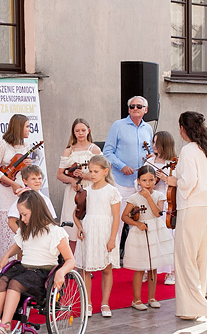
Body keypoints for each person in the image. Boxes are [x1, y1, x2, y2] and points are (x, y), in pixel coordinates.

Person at [0, 190, 75, 334]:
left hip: (43, 273)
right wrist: (6, 255)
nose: (21, 219)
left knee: (16, 283)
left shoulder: (55, 232)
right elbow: (18, 244)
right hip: (25, 269)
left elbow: (70, 260)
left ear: (36, 211)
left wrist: (61, 272)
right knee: (3, 280)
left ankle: (6, 326)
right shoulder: (26, 230)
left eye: (24, 214)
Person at [158, 112, 207, 320]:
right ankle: (197, 301)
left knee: (185, 257)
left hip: (192, 206)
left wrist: (172, 181)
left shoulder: (189, 150)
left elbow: (188, 181)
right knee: (199, 256)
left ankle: (193, 307)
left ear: (184, 128)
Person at [103, 96, 155, 250]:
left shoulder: (148, 128)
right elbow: (107, 151)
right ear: (128, 109)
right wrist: (121, 166)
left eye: (139, 106)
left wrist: (150, 157)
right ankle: (112, 257)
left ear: (145, 110)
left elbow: (151, 151)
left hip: (142, 182)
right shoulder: (118, 126)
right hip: (122, 181)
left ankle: (139, 258)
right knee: (118, 220)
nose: (135, 109)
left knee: (142, 219)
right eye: (132, 106)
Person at [73, 155, 121, 318]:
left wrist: (113, 239)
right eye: (90, 171)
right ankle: (88, 304)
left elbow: (116, 218)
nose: (92, 174)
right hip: (89, 232)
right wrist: (79, 227)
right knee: (86, 269)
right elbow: (76, 214)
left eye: (96, 171)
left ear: (105, 171)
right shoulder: (86, 191)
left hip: (105, 232)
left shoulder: (112, 191)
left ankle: (105, 303)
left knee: (107, 268)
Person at [121, 165, 173, 310]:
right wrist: (137, 223)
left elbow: (157, 213)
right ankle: (136, 300)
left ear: (156, 180)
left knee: (152, 267)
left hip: (155, 232)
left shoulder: (159, 196)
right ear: (138, 181)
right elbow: (124, 216)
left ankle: (152, 297)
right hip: (140, 233)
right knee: (139, 268)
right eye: (144, 180)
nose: (148, 183)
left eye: (151, 180)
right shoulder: (133, 198)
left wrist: (148, 197)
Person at [0, 114, 34, 264]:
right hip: (4, 190)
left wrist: (28, 165)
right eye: (27, 126)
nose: (29, 129)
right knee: (6, 230)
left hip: (20, 189)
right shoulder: (3, 144)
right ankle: (6, 266)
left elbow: (26, 172)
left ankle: (21, 266)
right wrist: (11, 183)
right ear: (18, 127)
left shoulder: (27, 146)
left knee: (21, 228)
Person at [56, 118, 101, 250]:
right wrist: (72, 180)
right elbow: (59, 174)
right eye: (77, 131)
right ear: (73, 132)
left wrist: (85, 175)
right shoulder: (68, 150)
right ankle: (73, 266)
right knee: (72, 228)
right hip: (73, 192)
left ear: (88, 131)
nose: (80, 133)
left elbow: (102, 173)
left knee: (89, 225)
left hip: (90, 189)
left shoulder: (95, 150)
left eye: (83, 130)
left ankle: (88, 265)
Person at [150, 130, 178, 285]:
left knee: (168, 237)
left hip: (167, 204)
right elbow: (138, 182)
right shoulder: (149, 161)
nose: (154, 146)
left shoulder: (174, 163)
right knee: (152, 237)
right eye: (153, 142)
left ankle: (170, 272)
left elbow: (180, 183)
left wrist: (166, 179)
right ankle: (150, 268)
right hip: (152, 202)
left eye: (156, 143)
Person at [7, 165, 56, 234]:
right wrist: (22, 237)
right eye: (33, 179)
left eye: (39, 178)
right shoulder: (22, 200)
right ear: (25, 181)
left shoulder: (45, 199)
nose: (37, 181)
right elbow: (11, 222)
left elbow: (51, 220)